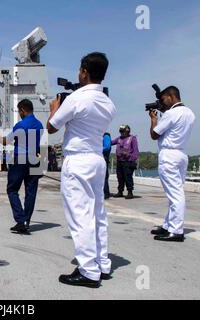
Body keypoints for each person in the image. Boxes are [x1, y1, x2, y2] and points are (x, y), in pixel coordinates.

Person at [47, 52, 116, 288]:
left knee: (80, 215)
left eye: (80, 69)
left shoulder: (76, 99)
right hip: (97, 159)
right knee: (98, 214)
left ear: (85, 71)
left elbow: (52, 127)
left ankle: (88, 270)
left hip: (78, 161)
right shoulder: (108, 102)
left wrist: (55, 107)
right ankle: (102, 263)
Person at [149, 86, 195, 242]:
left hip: (169, 155)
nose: (162, 103)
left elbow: (154, 134)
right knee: (175, 192)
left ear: (171, 96)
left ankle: (176, 230)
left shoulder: (171, 113)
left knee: (175, 194)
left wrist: (154, 120)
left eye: (163, 99)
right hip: (181, 154)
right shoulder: (189, 113)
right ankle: (168, 225)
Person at [0, 99, 43, 234]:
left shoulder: (20, 125)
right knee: (31, 191)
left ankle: (20, 220)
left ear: (22, 110)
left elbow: (8, 140)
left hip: (20, 159)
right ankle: (27, 221)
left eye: (19, 111)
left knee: (12, 189)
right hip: (35, 158)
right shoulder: (39, 125)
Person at [112, 125, 139, 199]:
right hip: (120, 161)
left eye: (122, 131)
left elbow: (135, 150)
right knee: (120, 177)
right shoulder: (119, 139)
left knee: (128, 177)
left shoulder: (132, 138)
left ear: (127, 131)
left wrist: (132, 159)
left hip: (128, 161)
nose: (121, 133)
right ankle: (120, 191)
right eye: (120, 131)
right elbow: (111, 142)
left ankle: (130, 192)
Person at [103, 133, 112, 199]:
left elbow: (107, 147)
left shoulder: (106, 136)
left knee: (104, 177)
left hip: (103, 159)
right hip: (99, 158)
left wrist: (96, 149)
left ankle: (106, 193)